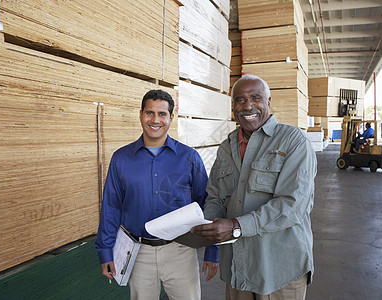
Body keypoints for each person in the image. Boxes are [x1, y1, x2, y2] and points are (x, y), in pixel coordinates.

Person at [191, 75, 317, 299]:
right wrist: (204, 226)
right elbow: (216, 197)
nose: (248, 105)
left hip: (279, 270)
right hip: (239, 267)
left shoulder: (293, 142)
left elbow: (292, 206)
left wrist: (236, 226)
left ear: (269, 101)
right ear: (233, 108)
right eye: (240, 100)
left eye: (255, 98)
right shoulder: (226, 148)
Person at [95, 89, 218, 300]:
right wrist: (105, 250)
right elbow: (111, 207)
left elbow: (206, 205)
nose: (155, 120)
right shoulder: (121, 159)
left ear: (171, 118)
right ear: (140, 114)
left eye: (162, 114)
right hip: (138, 253)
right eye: (149, 113)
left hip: (180, 250)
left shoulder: (189, 158)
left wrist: (212, 249)